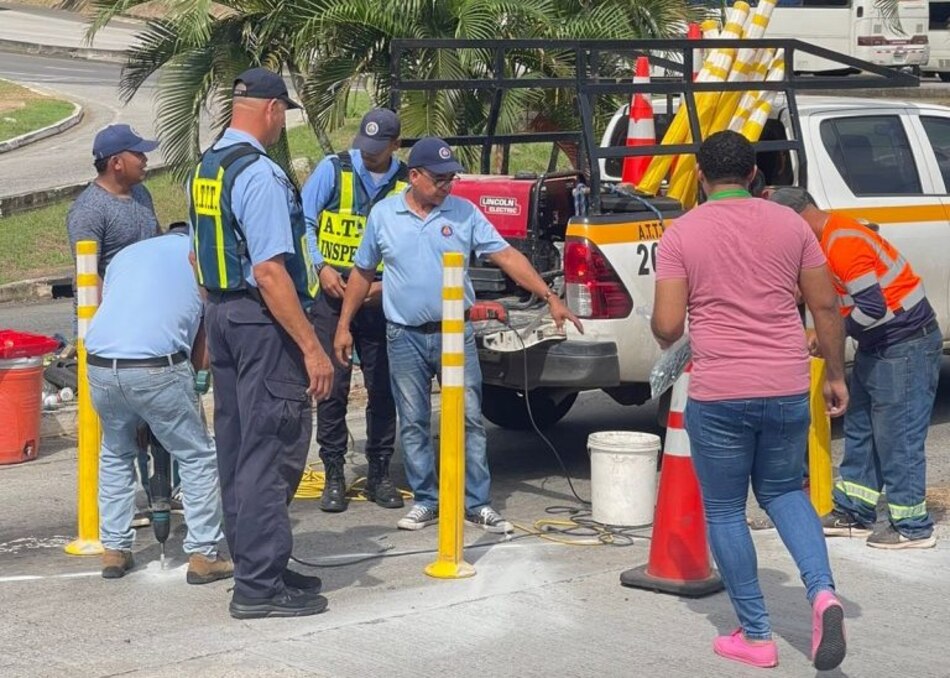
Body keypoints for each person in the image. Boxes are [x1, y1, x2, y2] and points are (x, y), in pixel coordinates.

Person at [652, 131, 849, 671]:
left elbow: (668, 325)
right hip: (786, 384)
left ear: (700, 176)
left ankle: (756, 635)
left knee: (723, 509)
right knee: (786, 491)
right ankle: (822, 593)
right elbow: (826, 305)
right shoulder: (791, 224)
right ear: (756, 174)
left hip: (721, 392)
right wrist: (834, 374)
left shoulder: (683, 233)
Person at [333, 136, 583, 533]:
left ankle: (476, 502)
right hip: (404, 336)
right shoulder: (384, 215)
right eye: (439, 179)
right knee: (414, 421)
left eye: (451, 177)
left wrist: (549, 296)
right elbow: (363, 273)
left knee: (468, 419)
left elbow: (507, 256)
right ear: (414, 177)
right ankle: (428, 500)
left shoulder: (464, 213)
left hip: (455, 333)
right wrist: (344, 325)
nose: (447, 185)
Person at [189, 67, 334, 620]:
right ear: (273, 109)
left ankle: (262, 561)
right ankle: (257, 586)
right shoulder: (260, 175)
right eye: (283, 115)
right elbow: (272, 273)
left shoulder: (208, 167)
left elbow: (199, 258)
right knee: (271, 448)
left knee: (238, 445)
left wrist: (213, 324)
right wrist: (312, 349)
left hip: (225, 316)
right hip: (261, 325)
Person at [771, 187, 939, 550]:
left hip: (905, 344)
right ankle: (854, 511)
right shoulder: (826, 241)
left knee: (899, 436)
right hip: (881, 344)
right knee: (862, 428)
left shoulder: (842, 242)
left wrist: (830, 332)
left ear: (797, 219)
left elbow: (873, 308)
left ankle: (912, 526)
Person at [84, 225, 232, 584]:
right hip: (155, 365)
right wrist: (197, 381)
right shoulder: (199, 257)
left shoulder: (126, 255)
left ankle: (115, 550)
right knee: (196, 455)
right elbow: (205, 332)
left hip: (100, 363)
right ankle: (203, 554)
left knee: (116, 454)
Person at [302, 109, 407, 513]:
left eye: (378, 150)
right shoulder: (334, 169)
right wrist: (321, 265)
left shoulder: (405, 182)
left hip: (380, 297)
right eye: (365, 146)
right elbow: (305, 220)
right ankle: (333, 473)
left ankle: (379, 473)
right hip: (333, 291)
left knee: (382, 388)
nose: (368, 155)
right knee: (332, 387)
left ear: (395, 146)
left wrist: (383, 285)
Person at [66, 122, 162, 528]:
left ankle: (161, 493)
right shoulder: (88, 210)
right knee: (123, 430)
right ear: (116, 162)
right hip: (115, 331)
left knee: (157, 421)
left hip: (151, 323)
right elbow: (90, 276)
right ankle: (125, 509)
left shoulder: (141, 194)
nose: (145, 159)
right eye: (138, 154)